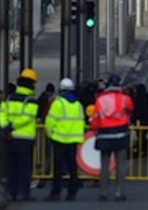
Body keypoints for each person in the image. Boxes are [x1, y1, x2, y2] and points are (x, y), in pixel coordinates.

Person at [0, 68, 40, 202]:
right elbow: (28, 117)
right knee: (24, 168)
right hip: (25, 139)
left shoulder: (9, 98)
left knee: (11, 168)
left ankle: (11, 193)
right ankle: (24, 194)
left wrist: (6, 128)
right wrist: (13, 127)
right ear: (31, 84)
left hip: (9, 138)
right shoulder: (31, 101)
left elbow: (2, 113)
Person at [93, 73, 134, 202]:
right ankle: (119, 192)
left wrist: (95, 131)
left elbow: (95, 119)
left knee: (104, 166)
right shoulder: (125, 99)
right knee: (120, 165)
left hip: (104, 134)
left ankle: (103, 193)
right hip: (120, 134)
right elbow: (130, 111)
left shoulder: (100, 99)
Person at [43, 77, 84, 201]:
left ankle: (56, 192)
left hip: (59, 139)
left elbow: (50, 121)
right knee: (72, 167)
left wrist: (50, 135)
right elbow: (81, 121)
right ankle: (72, 192)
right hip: (73, 140)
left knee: (58, 168)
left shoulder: (58, 103)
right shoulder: (78, 104)